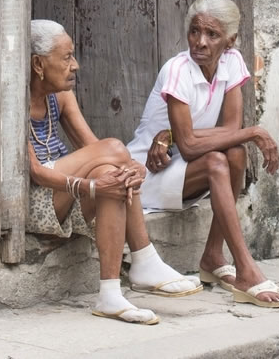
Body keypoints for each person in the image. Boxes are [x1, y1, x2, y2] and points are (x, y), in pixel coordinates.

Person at [27, 19, 202, 325]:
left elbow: (93, 148)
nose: (75, 65)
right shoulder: (13, 101)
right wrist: (91, 187)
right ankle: (144, 259)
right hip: (37, 200)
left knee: (111, 169)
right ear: (38, 65)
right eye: (66, 57)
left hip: (67, 192)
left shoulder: (61, 96)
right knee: (113, 155)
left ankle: (109, 294)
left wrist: (127, 170)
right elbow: (35, 173)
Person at [127, 0, 279, 308]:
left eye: (212, 35)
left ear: (230, 41)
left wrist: (172, 134)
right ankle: (245, 269)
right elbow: (190, 148)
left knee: (236, 154)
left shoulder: (232, 62)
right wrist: (255, 131)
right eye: (194, 31)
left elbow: (230, 130)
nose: (200, 42)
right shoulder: (177, 70)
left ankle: (214, 256)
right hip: (147, 175)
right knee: (219, 160)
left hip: (181, 170)